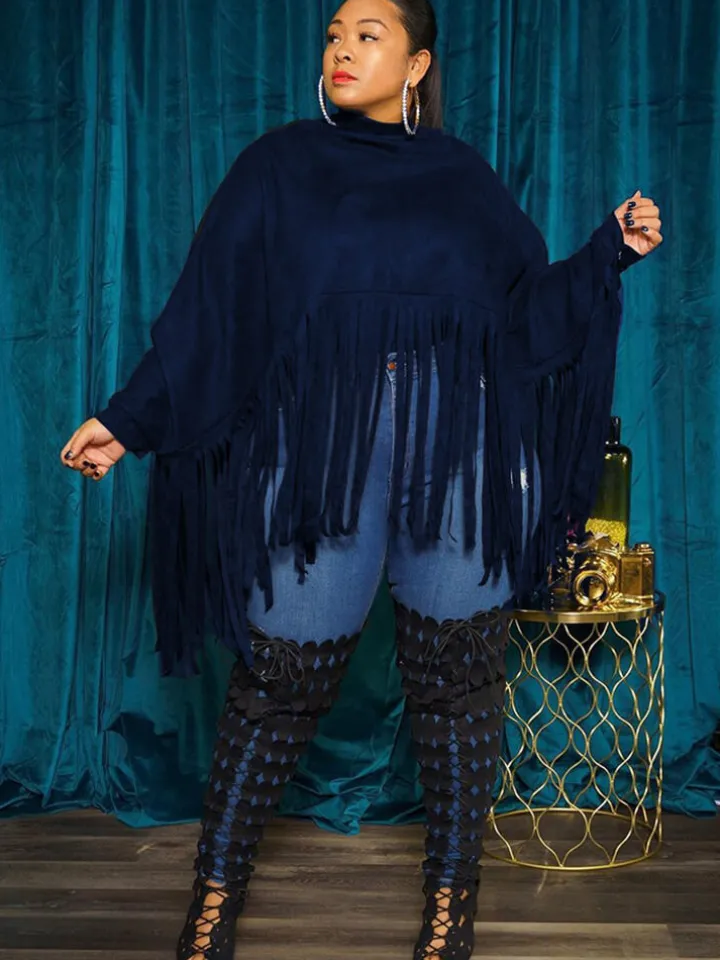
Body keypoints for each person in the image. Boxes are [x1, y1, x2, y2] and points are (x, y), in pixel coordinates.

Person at [59, 0, 663, 957]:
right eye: (335, 34)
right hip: (321, 466)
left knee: (458, 690)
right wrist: (127, 420)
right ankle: (212, 904)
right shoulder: (278, 167)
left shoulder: (464, 181)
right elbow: (211, 307)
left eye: (368, 34)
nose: (343, 48)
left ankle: (450, 913)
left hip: (458, 460)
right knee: (279, 683)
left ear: (416, 63)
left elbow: (521, 323)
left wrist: (605, 256)